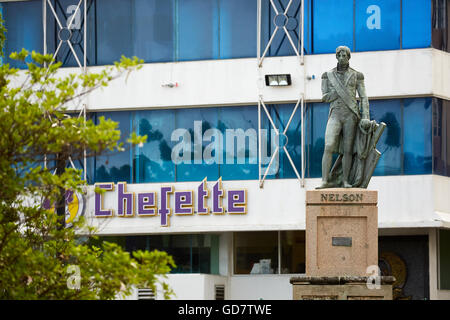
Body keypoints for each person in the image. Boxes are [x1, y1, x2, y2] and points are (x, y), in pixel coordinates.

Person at [317, 46, 371, 189]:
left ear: (349, 57)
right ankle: (324, 180)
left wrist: (365, 116)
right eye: (339, 55)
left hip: (350, 115)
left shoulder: (357, 75)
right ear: (336, 57)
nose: (342, 58)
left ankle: (345, 181)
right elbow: (324, 97)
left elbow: (364, 97)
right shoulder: (327, 75)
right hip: (335, 114)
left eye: (344, 55)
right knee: (328, 145)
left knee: (348, 150)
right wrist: (336, 93)